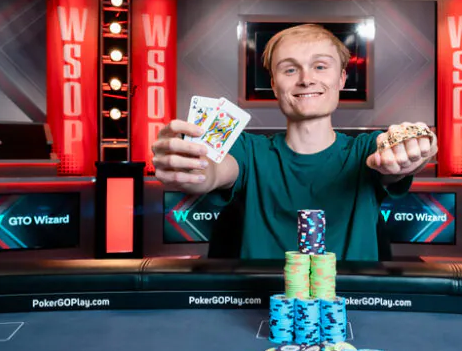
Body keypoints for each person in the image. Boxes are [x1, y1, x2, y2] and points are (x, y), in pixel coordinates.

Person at [152, 24, 437, 260]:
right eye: (290, 70)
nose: (306, 79)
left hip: (357, 305)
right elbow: (213, 170)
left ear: (341, 79)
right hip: (264, 306)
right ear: (274, 84)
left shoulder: (364, 150)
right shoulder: (249, 151)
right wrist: (191, 168)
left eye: (320, 66)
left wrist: (418, 146)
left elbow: (393, 155)